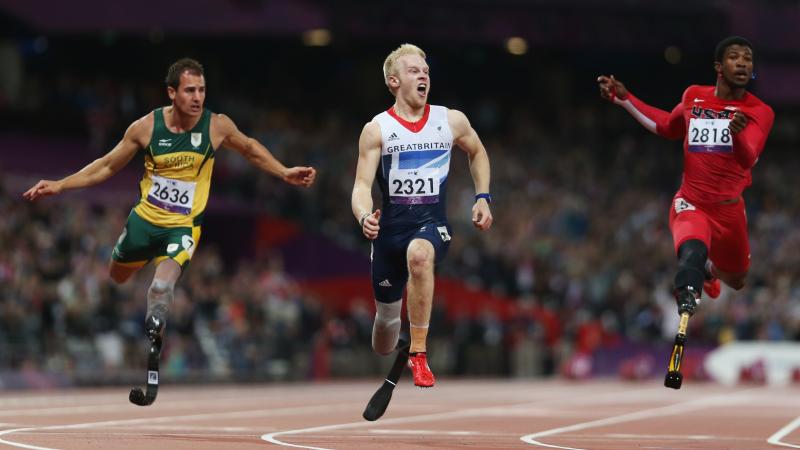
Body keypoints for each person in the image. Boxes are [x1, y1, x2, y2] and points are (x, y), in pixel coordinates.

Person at [23, 58, 316, 400]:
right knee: (117, 276)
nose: (197, 97)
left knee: (161, 286)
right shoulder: (145, 128)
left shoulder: (216, 126)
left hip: (183, 227)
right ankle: (138, 273)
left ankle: (155, 331)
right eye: (190, 90)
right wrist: (61, 185)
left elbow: (250, 148)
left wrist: (283, 172)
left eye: (202, 90)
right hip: (144, 222)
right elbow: (105, 166)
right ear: (172, 93)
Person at [597, 36, 774, 315]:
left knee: (737, 279)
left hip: (729, 212)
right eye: (735, 57)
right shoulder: (694, 96)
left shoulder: (760, 112)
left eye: (747, 58)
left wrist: (736, 134)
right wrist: (625, 99)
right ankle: (689, 289)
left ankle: (708, 270)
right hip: (692, 204)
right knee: (691, 253)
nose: (742, 62)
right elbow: (668, 126)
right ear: (719, 66)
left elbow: (749, 156)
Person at [351, 44, 493, 388]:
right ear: (394, 81)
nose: (423, 76)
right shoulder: (377, 129)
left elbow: (477, 152)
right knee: (384, 333)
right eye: (414, 71)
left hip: (430, 225)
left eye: (426, 71)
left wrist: (483, 196)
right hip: (388, 236)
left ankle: (418, 352)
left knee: (420, 255)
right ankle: (399, 336)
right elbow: (360, 186)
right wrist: (364, 216)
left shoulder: (450, 120)